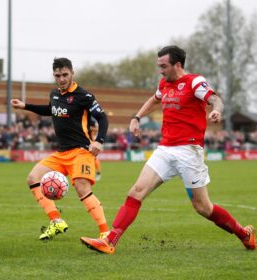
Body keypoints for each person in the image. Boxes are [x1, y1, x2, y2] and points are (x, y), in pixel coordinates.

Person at [80, 45, 255, 254]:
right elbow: (154, 99)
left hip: (189, 151)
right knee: (136, 191)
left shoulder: (194, 82)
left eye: (164, 66)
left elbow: (215, 98)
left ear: (177, 64)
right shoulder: (164, 83)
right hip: (165, 149)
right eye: (159, 66)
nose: (160, 71)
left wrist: (216, 110)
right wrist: (136, 118)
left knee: (203, 208)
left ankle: (244, 234)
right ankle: (110, 241)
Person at [11, 57, 109, 241]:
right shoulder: (54, 94)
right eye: (58, 75)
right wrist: (25, 106)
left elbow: (102, 118)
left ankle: (105, 233)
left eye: (65, 74)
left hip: (81, 151)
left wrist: (100, 141)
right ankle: (56, 221)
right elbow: (50, 109)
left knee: (81, 187)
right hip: (61, 153)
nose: (62, 79)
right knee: (33, 178)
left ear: (72, 73)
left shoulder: (84, 96)